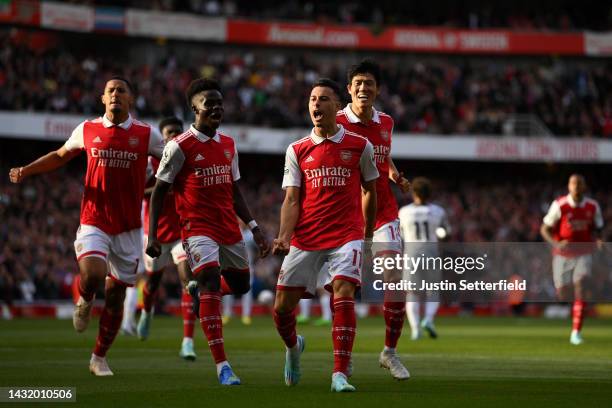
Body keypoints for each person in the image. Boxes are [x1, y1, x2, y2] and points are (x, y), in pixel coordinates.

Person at [9, 77, 164, 376]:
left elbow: (172, 162)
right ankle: (85, 299)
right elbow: (60, 155)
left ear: (131, 99)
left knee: (117, 297)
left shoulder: (147, 134)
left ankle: (99, 357)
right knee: (93, 274)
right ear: (102, 99)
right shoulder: (87, 129)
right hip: (94, 219)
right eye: (110, 91)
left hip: (130, 228)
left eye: (121, 90)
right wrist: (27, 171)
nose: (116, 94)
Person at [146, 77, 270, 385]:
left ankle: (201, 289)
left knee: (241, 285)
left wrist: (254, 227)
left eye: (219, 103)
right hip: (196, 228)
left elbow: (234, 190)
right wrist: (152, 236)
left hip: (228, 227)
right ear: (194, 109)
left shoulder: (228, 145)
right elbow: (160, 191)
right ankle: (223, 366)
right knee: (211, 279)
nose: (216, 107)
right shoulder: (178, 147)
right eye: (208, 103)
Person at [272, 78, 379, 392]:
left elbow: (369, 191)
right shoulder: (297, 149)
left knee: (343, 293)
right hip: (306, 237)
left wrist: (368, 236)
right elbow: (291, 199)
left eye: (323, 99)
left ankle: (339, 373)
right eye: (312, 100)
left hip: (347, 235)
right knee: (281, 307)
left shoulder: (360, 145)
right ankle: (293, 347)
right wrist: (283, 235)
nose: (316, 105)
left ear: (336, 106)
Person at [336, 59, 411, 380]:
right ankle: (344, 358)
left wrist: (392, 172)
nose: (364, 88)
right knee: (345, 288)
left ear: (377, 89)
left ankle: (389, 352)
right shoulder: (335, 121)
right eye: (358, 83)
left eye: (369, 83)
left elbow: (381, 153)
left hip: (382, 212)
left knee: (395, 280)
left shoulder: (386, 122)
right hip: (345, 215)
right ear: (349, 89)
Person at [133, 117, 199, 362]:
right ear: (161, 137)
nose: (174, 136)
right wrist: (163, 187)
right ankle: (147, 312)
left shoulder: (187, 161)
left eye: (177, 132)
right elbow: (139, 193)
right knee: (152, 282)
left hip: (183, 231)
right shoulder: (150, 162)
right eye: (170, 132)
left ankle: (188, 342)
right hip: (156, 234)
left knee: (188, 280)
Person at [540, 174, 603, 345]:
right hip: (563, 256)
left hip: (584, 253)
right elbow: (544, 228)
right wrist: (556, 243)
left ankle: (576, 332)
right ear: (569, 186)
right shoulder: (560, 205)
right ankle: (575, 309)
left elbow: (598, 229)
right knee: (563, 293)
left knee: (580, 286)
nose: (576, 186)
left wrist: (598, 240)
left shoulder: (592, 206)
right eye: (573, 183)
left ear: (584, 187)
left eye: (579, 184)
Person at [398, 177, 450, 340]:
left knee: (412, 293)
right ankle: (428, 319)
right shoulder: (438, 211)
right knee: (432, 291)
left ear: (414, 192)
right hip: (431, 252)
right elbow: (446, 233)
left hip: (412, 253)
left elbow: (400, 236)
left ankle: (415, 330)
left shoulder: (404, 212)